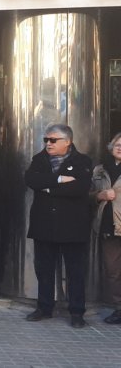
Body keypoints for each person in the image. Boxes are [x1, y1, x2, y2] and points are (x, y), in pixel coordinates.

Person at [23, 123, 93, 328]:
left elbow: (79, 189)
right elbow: (31, 180)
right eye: (46, 139)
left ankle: (77, 312)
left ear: (67, 141)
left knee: (75, 271)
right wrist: (60, 179)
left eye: (53, 140)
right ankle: (44, 307)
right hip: (44, 224)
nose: (48, 143)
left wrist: (48, 188)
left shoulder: (82, 161)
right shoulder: (39, 159)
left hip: (72, 226)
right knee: (44, 270)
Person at [92, 133, 121, 324]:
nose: (120, 147)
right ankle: (118, 308)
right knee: (112, 271)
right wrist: (100, 195)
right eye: (117, 144)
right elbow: (87, 194)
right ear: (111, 147)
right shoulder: (100, 170)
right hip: (109, 226)